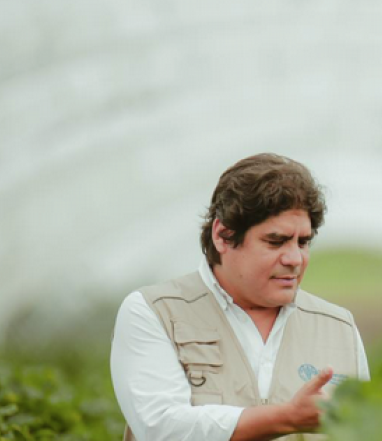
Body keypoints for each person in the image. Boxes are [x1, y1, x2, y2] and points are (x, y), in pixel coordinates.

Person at [111, 153, 369, 441]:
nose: (295, 258)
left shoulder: (339, 327)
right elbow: (161, 428)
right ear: (223, 235)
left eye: (303, 242)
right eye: (276, 241)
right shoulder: (155, 312)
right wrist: (286, 418)